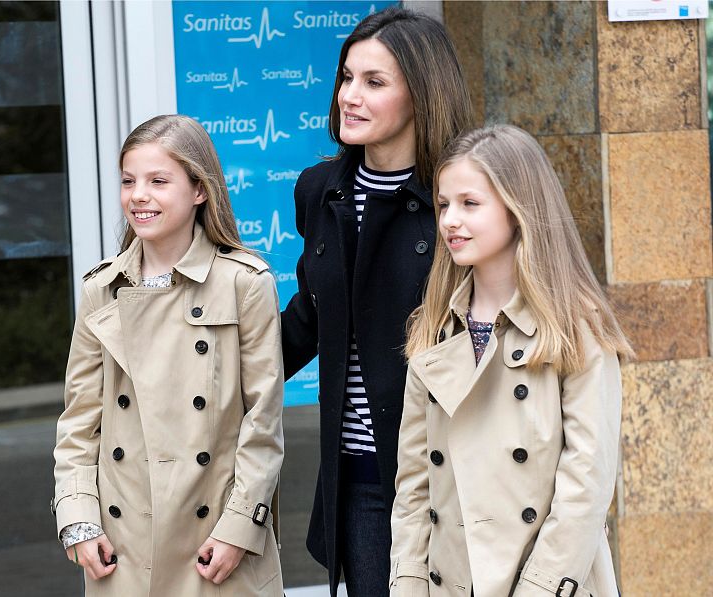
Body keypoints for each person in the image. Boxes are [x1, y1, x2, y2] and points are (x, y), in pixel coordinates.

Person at [391, 124, 632, 596]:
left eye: (470, 204)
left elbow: (585, 488)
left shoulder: (575, 330)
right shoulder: (435, 329)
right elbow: (415, 490)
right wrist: (407, 584)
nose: (450, 221)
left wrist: (538, 588)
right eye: (443, 205)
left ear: (518, 208)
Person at [281, 6, 473, 595]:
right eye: (345, 78)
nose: (349, 97)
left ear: (421, 94)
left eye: (373, 82)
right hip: (360, 476)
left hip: (454, 468)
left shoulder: (462, 194)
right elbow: (308, 321)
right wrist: (207, 375)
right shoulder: (321, 190)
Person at [52, 115, 284, 596]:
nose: (138, 195)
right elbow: (79, 422)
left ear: (200, 190)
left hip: (214, 544)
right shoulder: (102, 289)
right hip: (123, 545)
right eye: (128, 181)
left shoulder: (245, 282)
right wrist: (79, 519)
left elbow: (263, 423)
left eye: (158, 181)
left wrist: (240, 527)